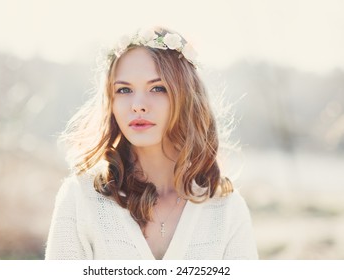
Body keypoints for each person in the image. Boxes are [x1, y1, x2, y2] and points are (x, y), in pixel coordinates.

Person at [45, 27, 258, 260]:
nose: (138, 105)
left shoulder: (225, 210)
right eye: (124, 90)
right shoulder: (81, 198)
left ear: (186, 97)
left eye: (157, 88)